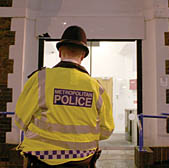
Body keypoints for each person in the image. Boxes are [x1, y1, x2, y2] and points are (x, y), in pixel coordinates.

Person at [15, 25, 114, 168]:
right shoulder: (96, 87)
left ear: (60, 52)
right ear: (82, 56)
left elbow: (20, 121)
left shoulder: (40, 79)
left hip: (42, 159)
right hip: (82, 159)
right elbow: (106, 130)